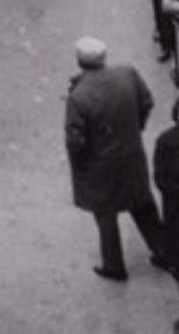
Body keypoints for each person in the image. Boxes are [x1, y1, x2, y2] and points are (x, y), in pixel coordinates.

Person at [64, 36, 170, 281]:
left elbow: (75, 141)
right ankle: (163, 251)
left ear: (79, 61)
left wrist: (81, 163)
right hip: (131, 154)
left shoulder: (78, 96)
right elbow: (147, 101)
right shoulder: (127, 74)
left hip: (99, 164)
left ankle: (114, 264)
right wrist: (136, 127)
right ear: (104, 56)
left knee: (105, 213)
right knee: (142, 203)